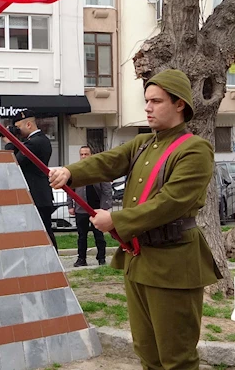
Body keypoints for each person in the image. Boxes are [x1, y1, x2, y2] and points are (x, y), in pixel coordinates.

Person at [49, 70, 220, 370]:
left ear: (180, 104)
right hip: (139, 260)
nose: (148, 107)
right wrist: (71, 173)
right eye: (146, 101)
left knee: (176, 357)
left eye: (156, 101)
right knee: (147, 353)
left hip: (174, 265)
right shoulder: (143, 143)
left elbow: (170, 203)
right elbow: (108, 161)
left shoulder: (195, 149)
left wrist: (116, 219)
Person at [12, 110, 57, 250]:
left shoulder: (36, 142)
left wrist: (9, 141)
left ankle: (53, 260)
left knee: (44, 232)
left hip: (38, 196)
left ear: (29, 124)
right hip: (39, 195)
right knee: (41, 232)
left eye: (19, 127)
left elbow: (16, 160)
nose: (18, 131)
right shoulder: (37, 141)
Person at [67, 146, 111, 267]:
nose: (84, 156)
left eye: (86, 154)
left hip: (96, 209)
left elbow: (106, 190)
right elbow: (70, 189)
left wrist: (104, 207)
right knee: (82, 236)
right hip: (81, 209)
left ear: (91, 155)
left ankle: (101, 258)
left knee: (99, 235)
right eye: (82, 154)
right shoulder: (75, 171)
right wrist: (70, 205)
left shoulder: (99, 170)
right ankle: (81, 259)